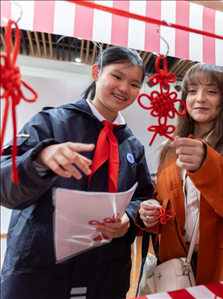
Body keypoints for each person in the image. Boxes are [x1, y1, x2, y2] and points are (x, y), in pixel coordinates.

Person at [0, 46, 154, 299]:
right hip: (41, 272)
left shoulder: (133, 146)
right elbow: (6, 186)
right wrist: (38, 159)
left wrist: (129, 217)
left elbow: (142, 196)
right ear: (96, 73)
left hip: (106, 274)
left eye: (135, 84)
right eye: (117, 76)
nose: (125, 88)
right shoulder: (50, 123)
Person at [136, 63, 223, 286]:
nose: (200, 98)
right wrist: (149, 213)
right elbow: (166, 203)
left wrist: (207, 165)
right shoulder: (171, 149)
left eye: (212, 91)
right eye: (192, 90)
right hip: (175, 262)